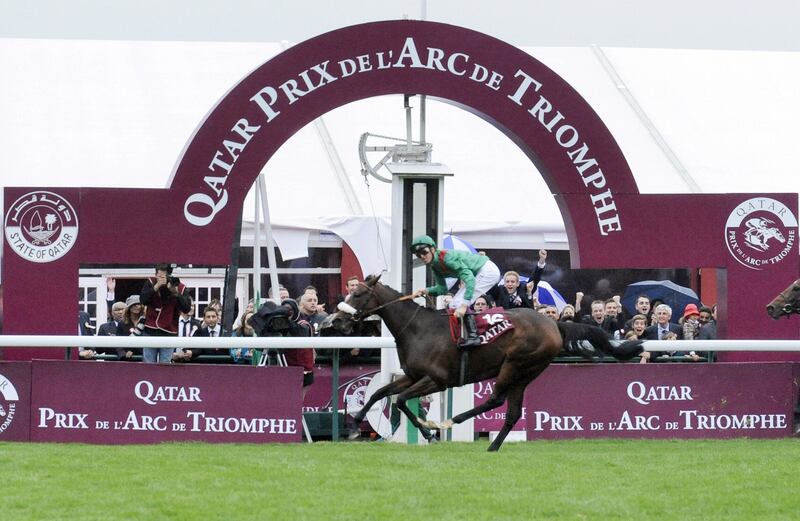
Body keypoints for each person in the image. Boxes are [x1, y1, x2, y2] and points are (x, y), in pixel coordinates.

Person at [410, 234, 501, 348]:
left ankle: (474, 337)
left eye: (424, 252)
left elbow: (470, 279)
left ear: (433, 249)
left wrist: (464, 305)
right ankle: (462, 336)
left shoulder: (447, 258)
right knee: (453, 303)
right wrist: (425, 291)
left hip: (487, 271)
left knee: (458, 303)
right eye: (418, 255)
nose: (422, 256)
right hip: (480, 272)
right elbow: (442, 289)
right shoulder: (435, 265)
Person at [139, 263, 191, 364]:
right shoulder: (150, 282)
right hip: (151, 329)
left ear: (169, 275)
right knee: (148, 363)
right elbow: (143, 300)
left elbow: (186, 309)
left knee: (165, 363)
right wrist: (156, 286)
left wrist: (176, 294)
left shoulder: (180, 287)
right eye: (159, 276)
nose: (161, 279)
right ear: (155, 274)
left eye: (164, 277)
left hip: (169, 330)